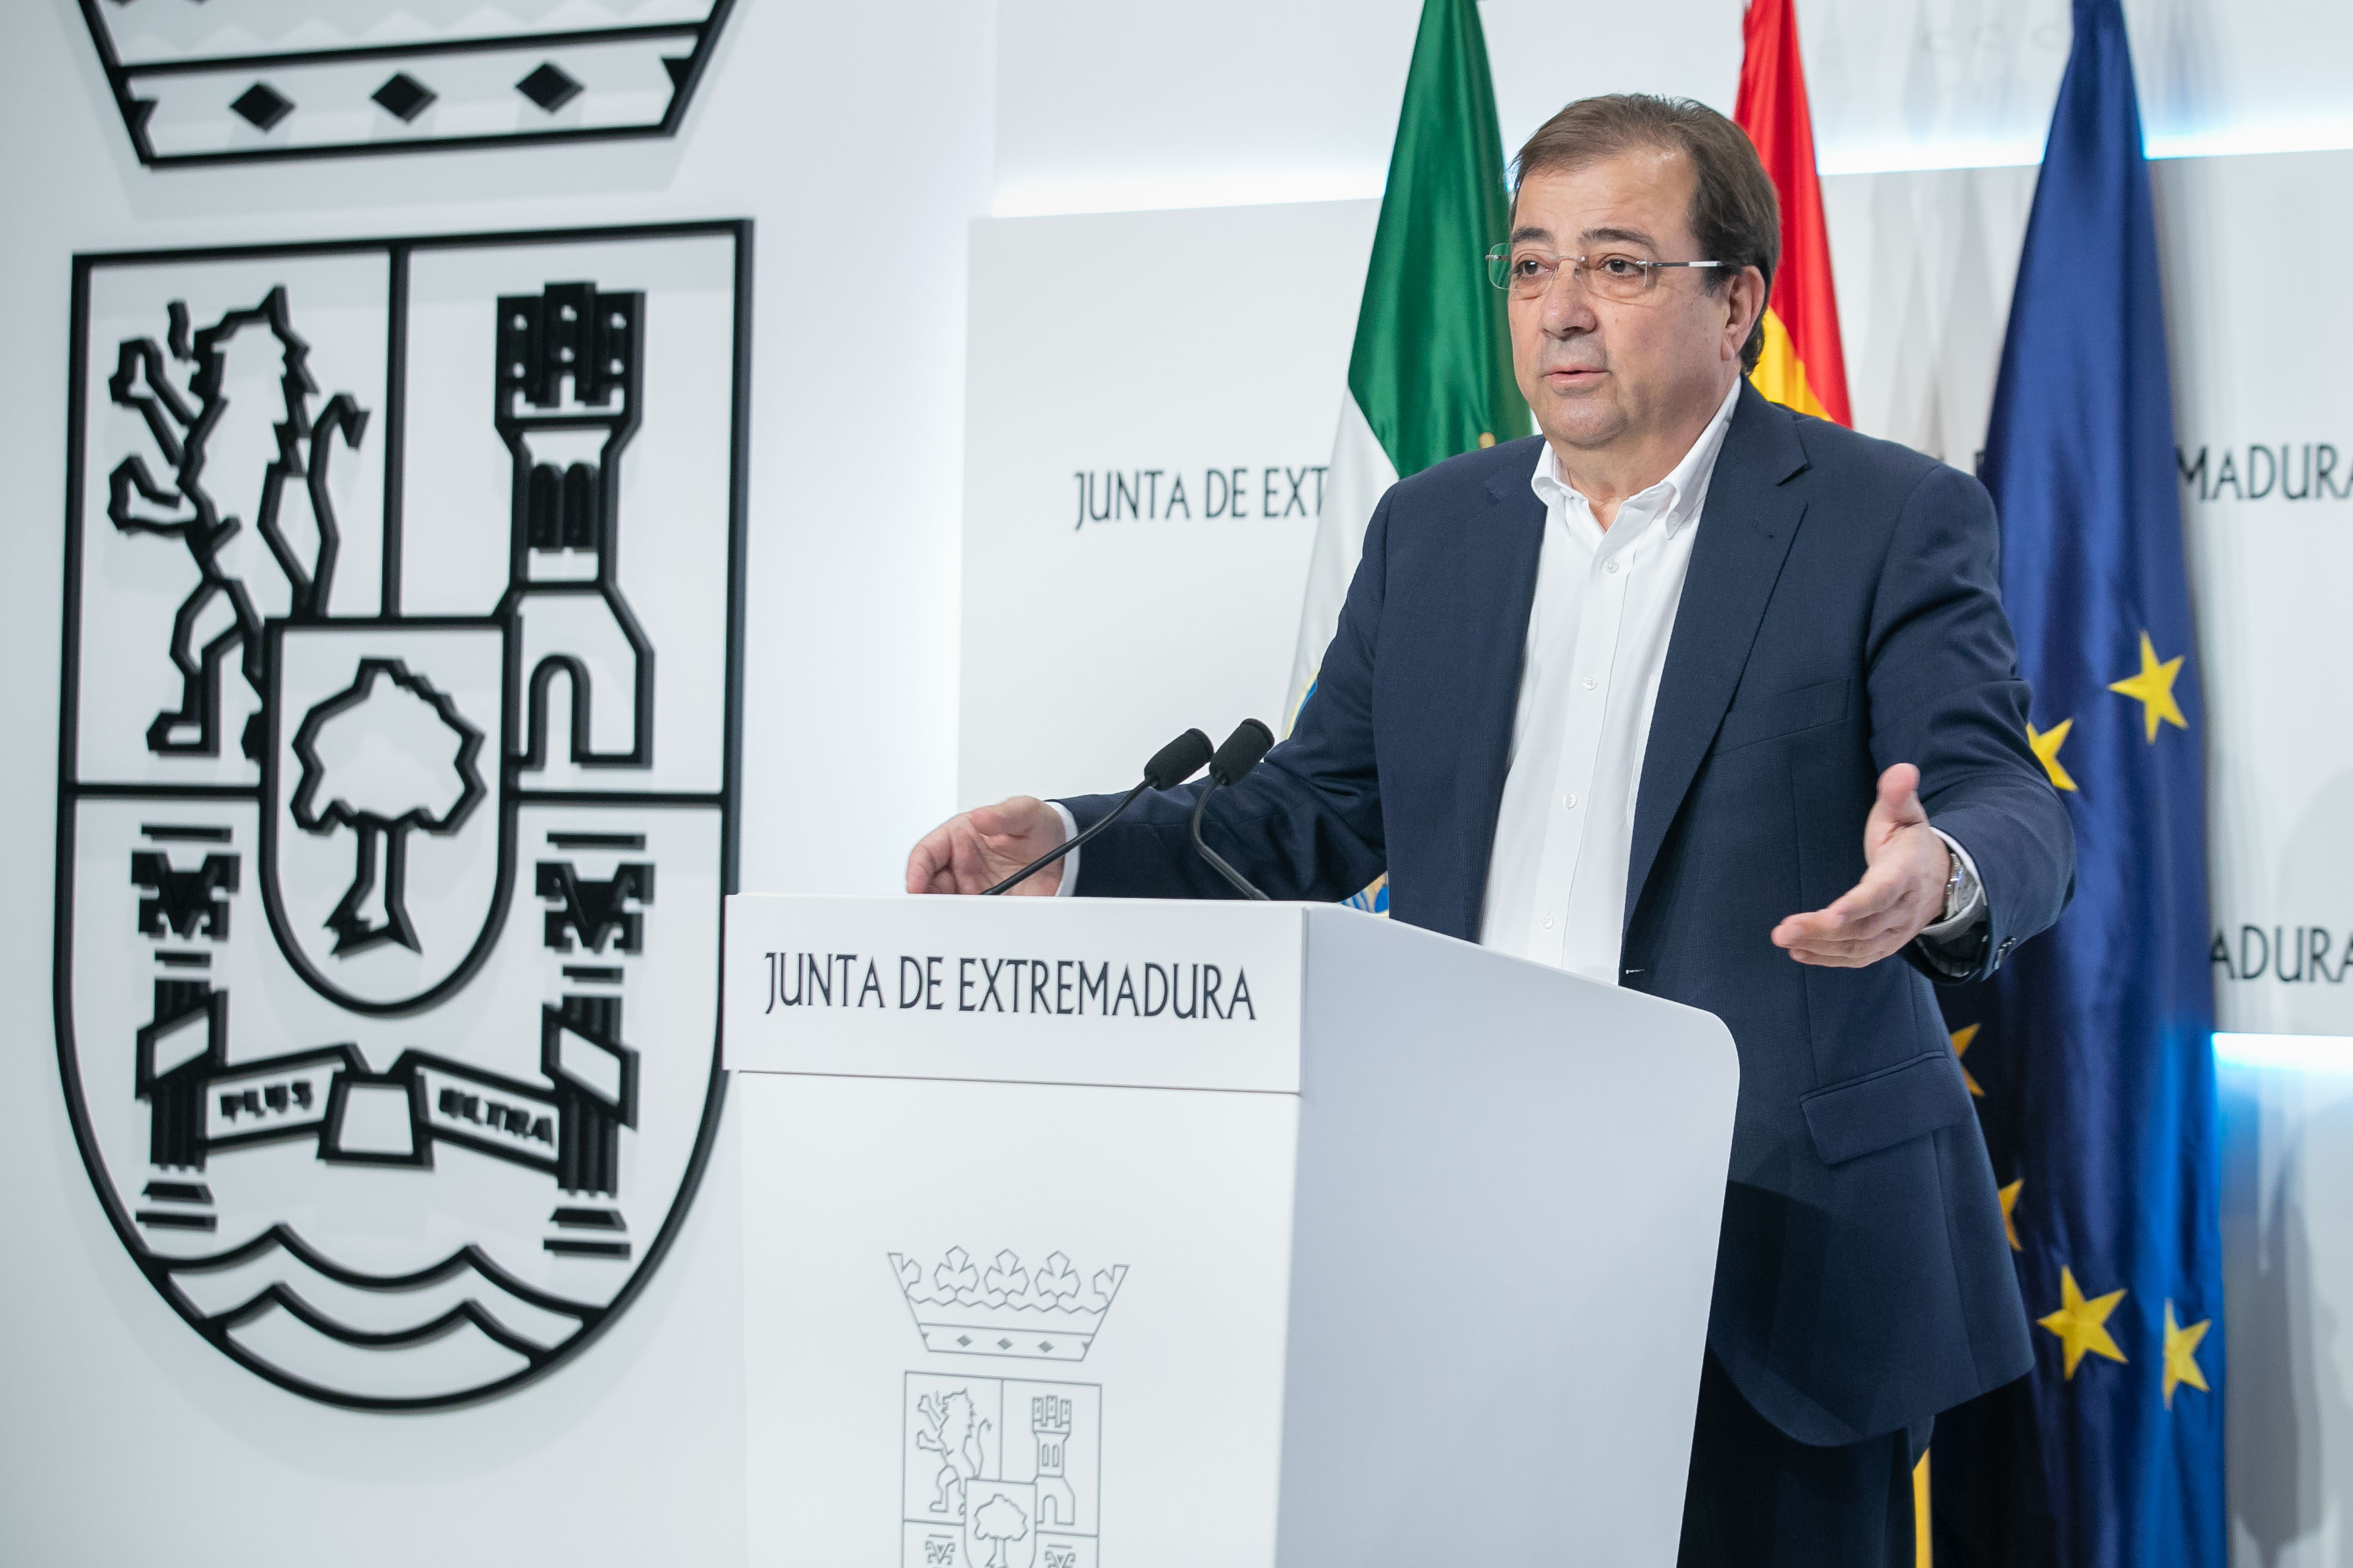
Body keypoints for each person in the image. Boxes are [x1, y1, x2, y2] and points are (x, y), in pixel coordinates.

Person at [907, 93, 2072, 1568]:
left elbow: (2007, 795)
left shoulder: (1886, 516)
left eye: (1618, 265)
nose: (1562, 312)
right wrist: (1071, 844)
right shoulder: (1432, 530)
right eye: (1531, 267)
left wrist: (1940, 873)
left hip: (1769, 1270)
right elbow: (1305, 818)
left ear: (1740, 306)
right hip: (1473, 1249)